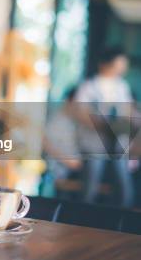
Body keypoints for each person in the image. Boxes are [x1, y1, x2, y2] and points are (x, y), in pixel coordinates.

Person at [75, 46, 136, 207]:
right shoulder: (88, 86)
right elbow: (81, 113)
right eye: (119, 64)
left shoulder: (122, 86)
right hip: (95, 141)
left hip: (119, 142)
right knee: (90, 186)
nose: (122, 68)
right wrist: (103, 125)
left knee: (124, 185)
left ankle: (123, 225)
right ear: (106, 63)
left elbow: (128, 110)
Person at [42, 87, 82, 197]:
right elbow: (43, 141)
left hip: (66, 174)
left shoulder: (74, 121)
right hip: (53, 174)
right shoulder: (56, 118)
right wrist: (68, 161)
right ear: (69, 101)